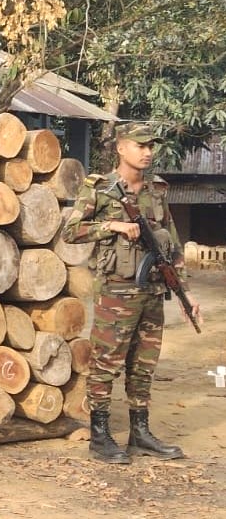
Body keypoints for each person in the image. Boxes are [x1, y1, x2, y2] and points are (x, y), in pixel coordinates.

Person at [63, 121, 198, 464]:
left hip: (152, 290)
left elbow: (173, 243)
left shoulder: (156, 190)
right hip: (115, 291)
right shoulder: (99, 188)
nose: (147, 151)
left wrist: (184, 292)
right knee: (106, 364)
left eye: (150, 145)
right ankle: (100, 436)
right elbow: (71, 231)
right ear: (121, 148)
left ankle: (140, 432)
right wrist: (113, 225)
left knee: (143, 365)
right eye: (140, 145)